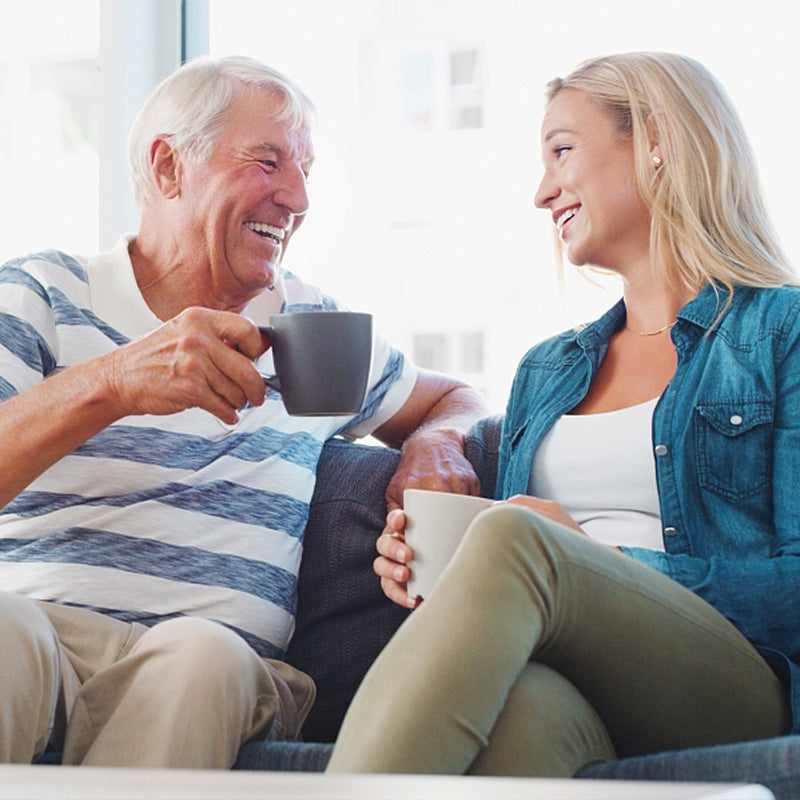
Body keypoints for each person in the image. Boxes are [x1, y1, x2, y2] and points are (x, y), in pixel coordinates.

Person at [0, 55, 488, 768]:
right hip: (40, 633)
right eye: (268, 161)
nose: (297, 197)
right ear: (169, 168)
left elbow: (454, 399)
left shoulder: (311, 325)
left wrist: (436, 444)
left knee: (198, 655)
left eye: (305, 172)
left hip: (217, 662)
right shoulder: (42, 294)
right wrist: (115, 381)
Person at [326, 51, 800, 777]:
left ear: (656, 141)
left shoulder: (780, 333)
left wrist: (593, 560)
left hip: (732, 679)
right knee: (521, 718)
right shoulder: (546, 371)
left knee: (516, 536)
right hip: (563, 670)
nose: (543, 193)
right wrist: (441, 570)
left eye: (562, 151)